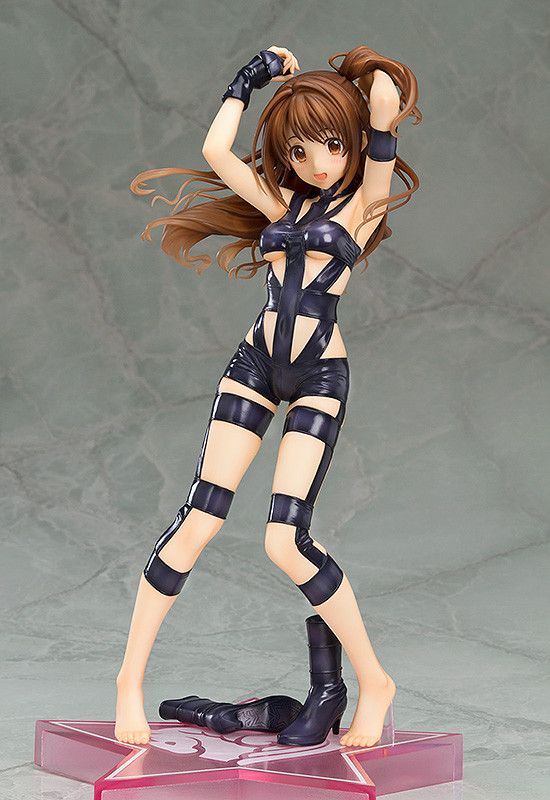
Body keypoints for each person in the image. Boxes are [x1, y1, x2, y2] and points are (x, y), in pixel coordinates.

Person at [115, 43, 422, 748]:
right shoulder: (281, 200)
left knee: (285, 540)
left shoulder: (363, 205)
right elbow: (216, 151)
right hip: (254, 363)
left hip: (318, 374)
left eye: (333, 145)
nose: (318, 163)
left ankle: (374, 680)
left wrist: (369, 88)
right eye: (301, 149)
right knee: (197, 519)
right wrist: (245, 81)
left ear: (353, 144)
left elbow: (381, 116)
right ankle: (128, 679)